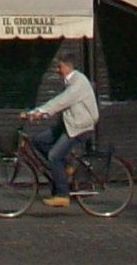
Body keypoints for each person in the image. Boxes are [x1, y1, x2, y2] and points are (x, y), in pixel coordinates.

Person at [21, 47, 98, 208]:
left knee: (54, 156)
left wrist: (38, 112)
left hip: (79, 127)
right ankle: (66, 167)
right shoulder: (69, 81)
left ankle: (62, 195)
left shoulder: (78, 82)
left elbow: (61, 101)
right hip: (68, 124)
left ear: (68, 67)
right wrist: (36, 114)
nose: (57, 70)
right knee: (38, 140)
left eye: (59, 66)